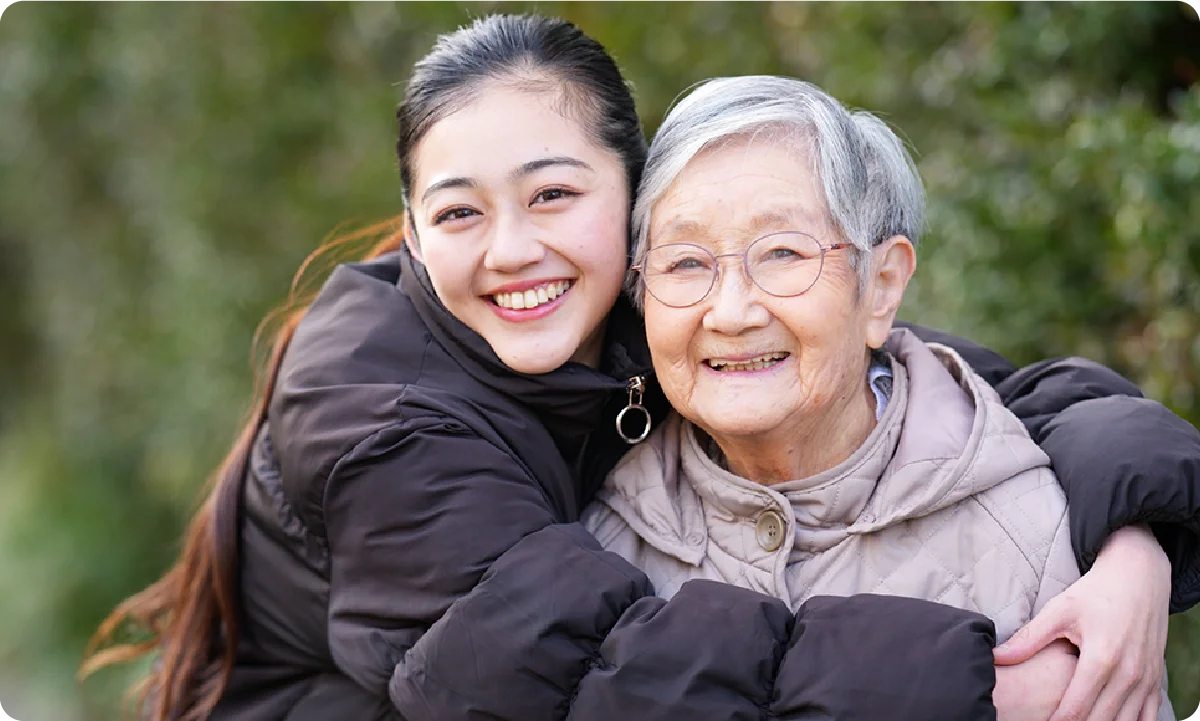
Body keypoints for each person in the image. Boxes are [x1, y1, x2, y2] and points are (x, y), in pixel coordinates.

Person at [82, 14, 1200, 721]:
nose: (514, 246)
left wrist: (1137, 545)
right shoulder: (383, 419)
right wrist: (986, 687)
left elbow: (985, 389)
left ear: (630, 203)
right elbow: (602, 674)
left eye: (555, 193)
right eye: (461, 212)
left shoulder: (637, 300)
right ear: (414, 237)